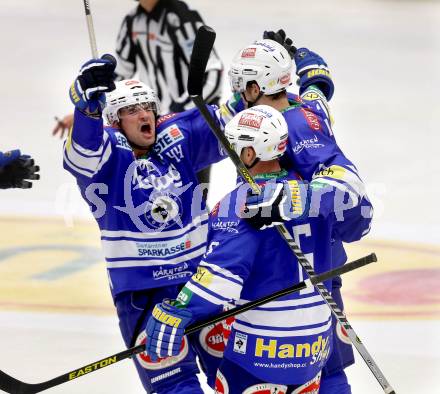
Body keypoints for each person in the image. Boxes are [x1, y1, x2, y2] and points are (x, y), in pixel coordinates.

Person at [145, 105, 370, 393]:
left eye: (234, 148)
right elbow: (346, 240)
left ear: (249, 154)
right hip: (315, 349)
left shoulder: (237, 204)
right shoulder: (313, 193)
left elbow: (219, 282)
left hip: (261, 352)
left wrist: (178, 310)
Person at [63, 55, 228, 393]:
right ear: (114, 120)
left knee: (241, 376)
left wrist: (269, 91)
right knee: (174, 388)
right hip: (144, 297)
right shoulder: (108, 160)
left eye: (147, 106)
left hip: (201, 285)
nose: (143, 114)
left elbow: (231, 122)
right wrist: (87, 110)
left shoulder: (175, 140)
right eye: (130, 110)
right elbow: (83, 151)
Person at [225, 36, 373, 393]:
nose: (235, 94)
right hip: (294, 261)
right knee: (324, 371)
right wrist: (310, 71)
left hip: (308, 264)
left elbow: (350, 186)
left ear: (257, 86)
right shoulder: (288, 108)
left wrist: (288, 196)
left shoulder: (297, 125)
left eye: (242, 84)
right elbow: (317, 89)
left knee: (328, 371)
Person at [54, 0, 223, 197]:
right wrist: (88, 109)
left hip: (189, 123)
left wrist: (191, 111)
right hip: (157, 123)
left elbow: (213, 70)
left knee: (193, 194)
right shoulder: (132, 22)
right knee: (162, 193)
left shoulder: (180, 17)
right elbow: (119, 75)